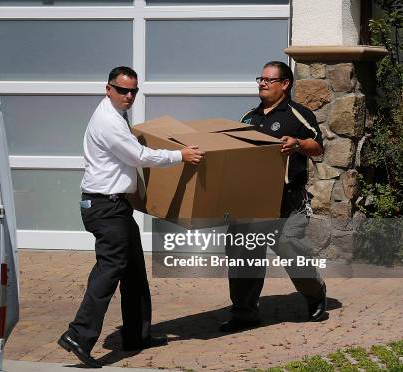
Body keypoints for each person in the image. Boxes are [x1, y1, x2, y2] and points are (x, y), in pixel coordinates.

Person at [58, 66, 204, 368]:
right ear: (107, 88)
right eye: (122, 90)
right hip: (105, 208)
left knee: (134, 269)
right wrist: (180, 155)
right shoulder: (108, 121)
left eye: (133, 91)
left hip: (116, 206)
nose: (128, 96)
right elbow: (139, 156)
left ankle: (136, 335)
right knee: (110, 269)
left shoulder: (114, 113)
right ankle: (79, 334)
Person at [220, 61, 328, 333]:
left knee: (293, 252)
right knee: (243, 256)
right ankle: (244, 314)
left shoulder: (297, 114)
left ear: (285, 84)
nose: (262, 83)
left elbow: (318, 147)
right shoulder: (249, 118)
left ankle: (315, 293)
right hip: (250, 202)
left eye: (269, 79)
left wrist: (298, 144)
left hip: (286, 201)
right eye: (260, 79)